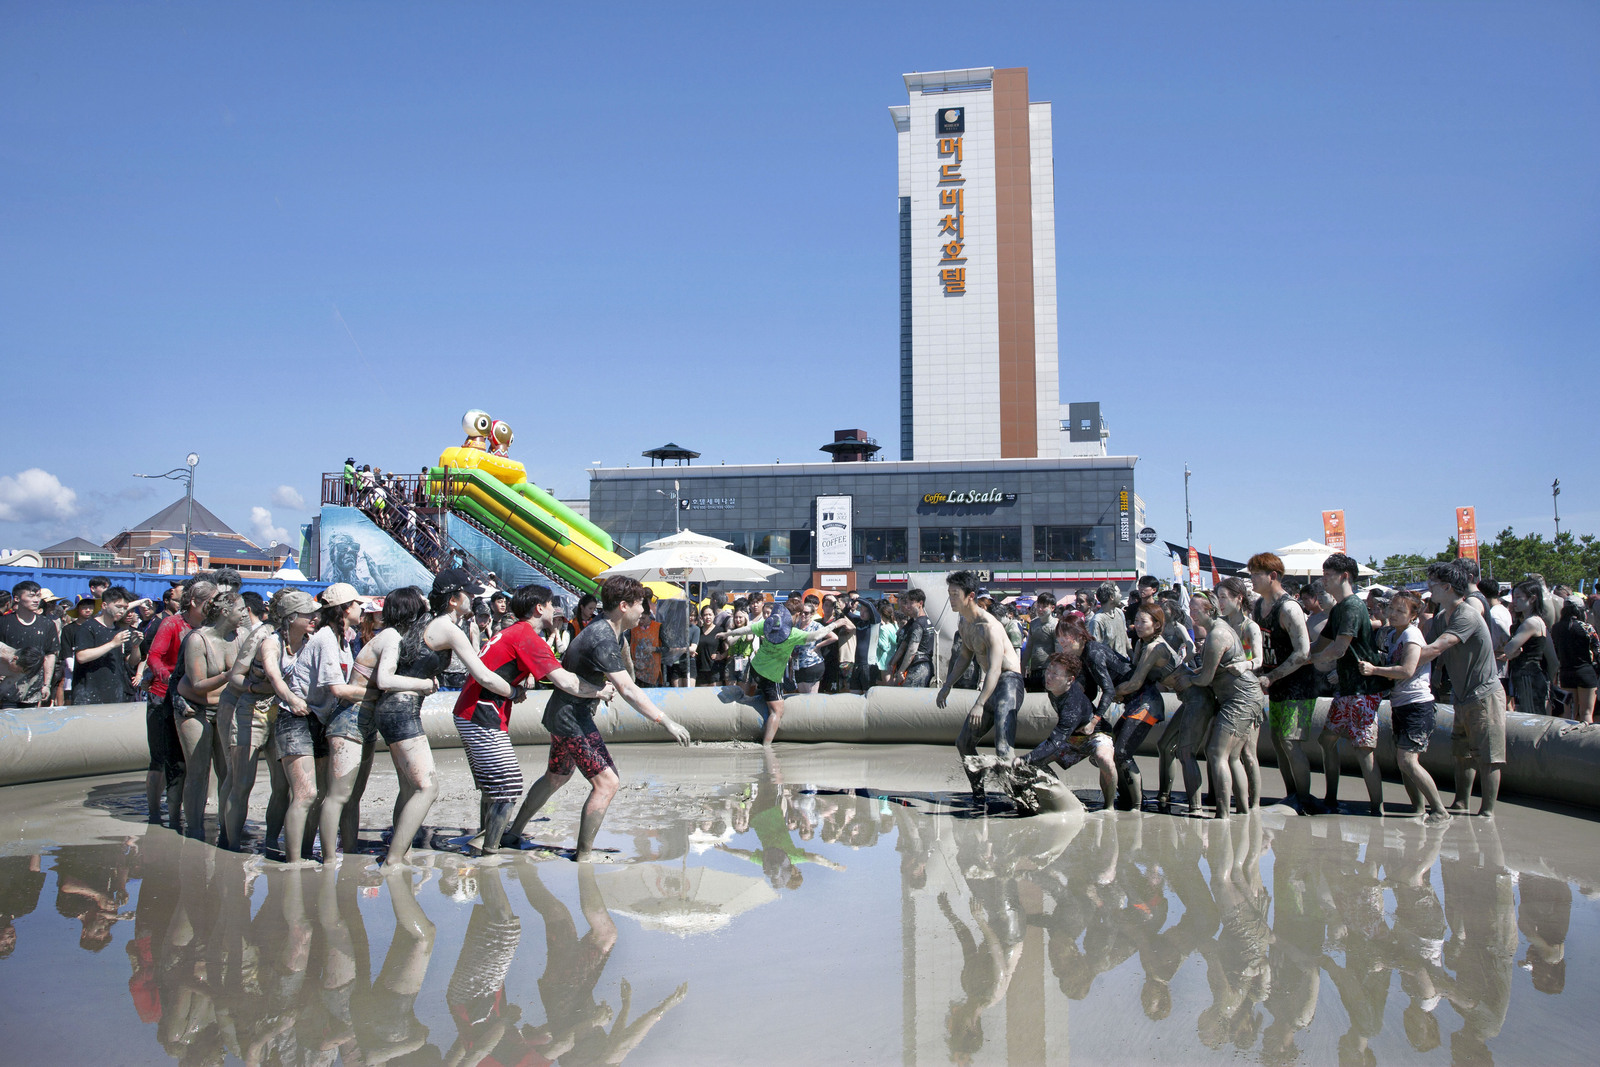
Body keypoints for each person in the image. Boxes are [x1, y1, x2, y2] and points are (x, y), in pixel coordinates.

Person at [503, 578, 689, 860]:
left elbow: (625, 672)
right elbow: (627, 689)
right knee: (607, 783)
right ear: (624, 606)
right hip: (572, 718)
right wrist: (666, 721)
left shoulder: (611, 631)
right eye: (641, 605)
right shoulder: (602, 636)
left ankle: (513, 834)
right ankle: (584, 855)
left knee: (556, 776)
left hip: (563, 715)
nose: (644, 611)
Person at [369, 576, 512, 868]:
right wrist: (513, 691)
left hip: (391, 709)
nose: (473, 598)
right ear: (453, 600)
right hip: (402, 710)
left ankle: (402, 852)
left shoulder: (428, 622)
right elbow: (482, 675)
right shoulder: (447, 627)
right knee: (428, 788)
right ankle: (393, 860)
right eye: (468, 593)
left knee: (409, 788)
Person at [1415, 561, 1504, 817]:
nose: (1429, 588)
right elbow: (1428, 646)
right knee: (1462, 753)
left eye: (1432, 583)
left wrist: (1399, 666)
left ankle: (1487, 812)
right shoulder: (1442, 617)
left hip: (1484, 694)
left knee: (1489, 756)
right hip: (1462, 695)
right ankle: (1461, 803)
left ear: (1447, 587)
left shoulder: (1467, 614)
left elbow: (1437, 647)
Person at [1172, 591, 1265, 819]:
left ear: (1210, 610)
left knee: (1216, 752)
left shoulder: (1217, 634)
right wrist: (1194, 674)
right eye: (1190, 610)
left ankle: (1223, 815)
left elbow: (1205, 678)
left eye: (1195, 610)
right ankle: (1242, 810)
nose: (1191, 614)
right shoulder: (1218, 630)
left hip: (1241, 699)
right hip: (1242, 697)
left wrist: (1189, 679)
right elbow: (1210, 670)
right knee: (1232, 757)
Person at [1359, 591, 1450, 821]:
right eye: (1391, 608)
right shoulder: (1392, 636)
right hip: (1400, 703)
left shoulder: (1412, 634)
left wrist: (1374, 670)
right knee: (1404, 763)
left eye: (1400, 611)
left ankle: (1440, 810)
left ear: (1413, 615)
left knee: (1407, 760)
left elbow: (1407, 670)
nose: (1393, 614)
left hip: (1417, 704)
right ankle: (1418, 809)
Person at [1309, 553, 1387, 817]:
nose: (1323, 581)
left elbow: (1338, 649)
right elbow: (1320, 643)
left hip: (1363, 690)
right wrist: (1300, 653)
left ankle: (1377, 808)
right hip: (1348, 690)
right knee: (1326, 740)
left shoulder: (1352, 606)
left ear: (1344, 577)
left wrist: (1310, 660)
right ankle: (1331, 798)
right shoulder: (1339, 609)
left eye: (1327, 575)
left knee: (1363, 750)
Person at [941, 571, 1026, 801]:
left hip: (1009, 682)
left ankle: (1019, 799)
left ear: (970, 596)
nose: (951, 599)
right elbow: (965, 656)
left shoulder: (989, 626)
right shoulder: (964, 622)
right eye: (949, 594)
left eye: (955, 594)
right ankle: (979, 793)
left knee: (1003, 748)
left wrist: (979, 703)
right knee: (963, 742)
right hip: (993, 684)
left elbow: (996, 669)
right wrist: (948, 684)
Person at [719, 595, 849, 745]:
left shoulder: (770, 623)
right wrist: (836, 624)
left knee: (765, 696)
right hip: (770, 675)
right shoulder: (793, 634)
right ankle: (766, 747)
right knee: (777, 711)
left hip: (756, 668)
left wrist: (727, 634)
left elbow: (748, 629)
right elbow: (816, 636)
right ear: (798, 615)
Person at [173, 590, 249, 839]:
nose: (245, 614)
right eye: (241, 609)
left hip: (226, 707)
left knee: (228, 771)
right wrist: (229, 675)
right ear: (225, 612)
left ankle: (227, 830)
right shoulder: (198, 639)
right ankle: (194, 831)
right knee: (198, 771)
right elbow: (197, 684)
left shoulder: (242, 635)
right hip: (195, 707)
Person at [142, 575, 217, 828]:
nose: (215, 606)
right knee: (162, 759)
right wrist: (171, 679)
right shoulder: (173, 624)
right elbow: (154, 656)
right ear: (194, 602)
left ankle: (187, 814)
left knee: (191, 762)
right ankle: (156, 815)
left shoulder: (211, 628)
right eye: (210, 602)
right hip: (163, 696)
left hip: (196, 698)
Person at [1248, 552, 1320, 812]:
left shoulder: (1289, 608)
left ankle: (1304, 798)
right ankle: (1291, 795)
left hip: (1298, 686)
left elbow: (1303, 652)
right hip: (1275, 684)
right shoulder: (1259, 605)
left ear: (1272, 576)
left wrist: (1271, 676)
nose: (1252, 579)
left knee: (1290, 742)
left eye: (1256, 574)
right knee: (1279, 744)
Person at [220, 592, 291, 852]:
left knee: (282, 785)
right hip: (252, 710)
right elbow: (235, 676)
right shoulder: (262, 635)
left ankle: (271, 842)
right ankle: (229, 844)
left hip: (280, 711)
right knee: (241, 782)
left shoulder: (304, 637)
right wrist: (254, 688)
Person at [1021, 649, 1118, 809]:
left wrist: (1024, 758)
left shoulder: (1072, 705)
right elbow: (1028, 681)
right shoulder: (1050, 683)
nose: (1049, 676)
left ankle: (1109, 806)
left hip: (1097, 733)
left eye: (1055, 674)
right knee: (1036, 762)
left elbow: (1054, 742)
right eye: (1048, 671)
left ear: (1070, 680)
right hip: (1073, 736)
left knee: (1105, 759)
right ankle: (1063, 797)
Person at [1109, 601, 1178, 810]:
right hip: (1140, 701)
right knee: (1114, 745)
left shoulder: (1155, 647)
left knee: (1123, 752)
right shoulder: (1141, 644)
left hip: (1150, 704)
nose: (1137, 625)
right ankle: (1125, 797)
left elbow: (1135, 683)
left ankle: (1138, 804)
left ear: (1157, 624)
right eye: (1136, 621)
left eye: (1143, 621)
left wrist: (1112, 693)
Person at [69, 586, 140, 705]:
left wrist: (136, 647)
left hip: (114, 693)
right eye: (118, 606)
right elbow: (81, 656)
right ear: (104, 605)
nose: (122, 611)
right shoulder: (88, 627)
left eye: (125, 608)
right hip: (88, 694)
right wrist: (112, 644)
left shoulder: (120, 631)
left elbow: (132, 661)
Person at [0, 580, 59, 710]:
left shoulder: (47, 625)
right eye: (31, 596)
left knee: (29, 722)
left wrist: (46, 685)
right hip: (6, 689)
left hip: (33, 691)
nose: (36, 600)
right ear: (17, 598)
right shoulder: (4, 622)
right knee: (8, 721)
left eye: (38, 596)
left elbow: (50, 655)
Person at [1500, 580, 1551, 716]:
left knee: (1530, 717)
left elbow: (1508, 649)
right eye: (1514, 597)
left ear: (1532, 598)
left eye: (1518, 597)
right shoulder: (1538, 621)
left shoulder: (1530, 623)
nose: (1514, 601)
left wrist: (1512, 652)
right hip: (1533, 674)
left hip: (1527, 675)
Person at [1551, 597, 1599, 724]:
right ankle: (1586, 737)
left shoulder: (1556, 628)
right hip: (1586, 673)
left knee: (1568, 714)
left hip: (1565, 673)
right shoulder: (1586, 627)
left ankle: (1566, 736)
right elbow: (1597, 651)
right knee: (1586, 713)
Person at [887, 588, 937, 687]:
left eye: (911, 603)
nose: (908, 606)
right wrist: (892, 663)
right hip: (924, 665)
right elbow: (903, 645)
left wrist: (901, 671)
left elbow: (912, 650)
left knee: (911, 695)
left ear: (920, 603)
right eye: (907, 603)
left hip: (919, 666)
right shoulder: (923, 621)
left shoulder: (918, 624)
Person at [1022, 592, 1057, 692]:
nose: (1040, 609)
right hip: (1034, 668)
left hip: (1048, 669)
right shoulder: (1033, 623)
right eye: (1038, 606)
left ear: (1052, 608)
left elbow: (1058, 650)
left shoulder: (1055, 625)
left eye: (1044, 607)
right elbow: (1029, 646)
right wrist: (1023, 666)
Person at [1090, 582, 1131, 658]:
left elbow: (1125, 638)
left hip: (1125, 661)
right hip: (1110, 663)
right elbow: (1096, 650)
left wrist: (1133, 657)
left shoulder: (1119, 612)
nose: (1121, 595)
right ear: (1111, 597)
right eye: (1119, 593)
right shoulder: (1098, 620)